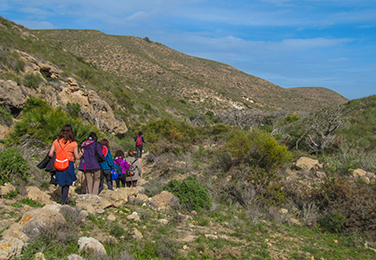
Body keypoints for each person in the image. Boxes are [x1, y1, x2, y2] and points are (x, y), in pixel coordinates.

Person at [48, 124, 83, 205]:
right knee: (67, 184)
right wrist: (81, 153)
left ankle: (61, 199)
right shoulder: (73, 143)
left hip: (58, 163)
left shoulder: (56, 141)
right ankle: (63, 201)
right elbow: (77, 157)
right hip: (68, 163)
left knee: (61, 181)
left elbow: (50, 154)